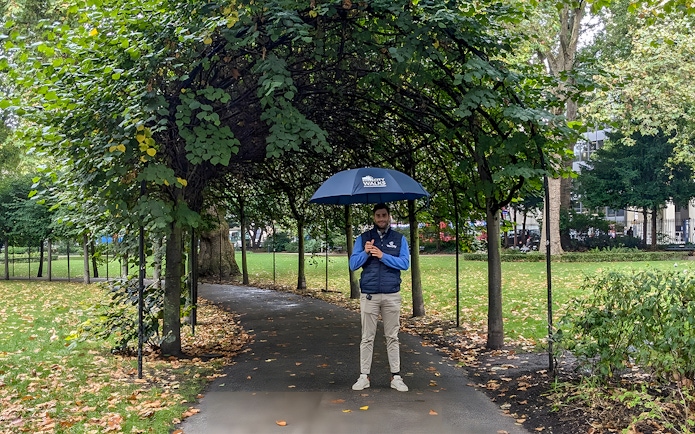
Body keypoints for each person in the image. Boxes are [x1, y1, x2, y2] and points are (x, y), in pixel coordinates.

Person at [349, 203, 410, 392]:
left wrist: (383, 256)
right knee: (367, 337)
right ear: (374, 218)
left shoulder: (399, 239)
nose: (381, 219)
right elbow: (353, 264)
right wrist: (366, 252)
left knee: (392, 336)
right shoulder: (364, 238)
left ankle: (396, 377)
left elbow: (405, 263)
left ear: (389, 217)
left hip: (392, 294)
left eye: (384, 215)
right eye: (378, 215)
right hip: (369, 294)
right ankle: (363, 376)